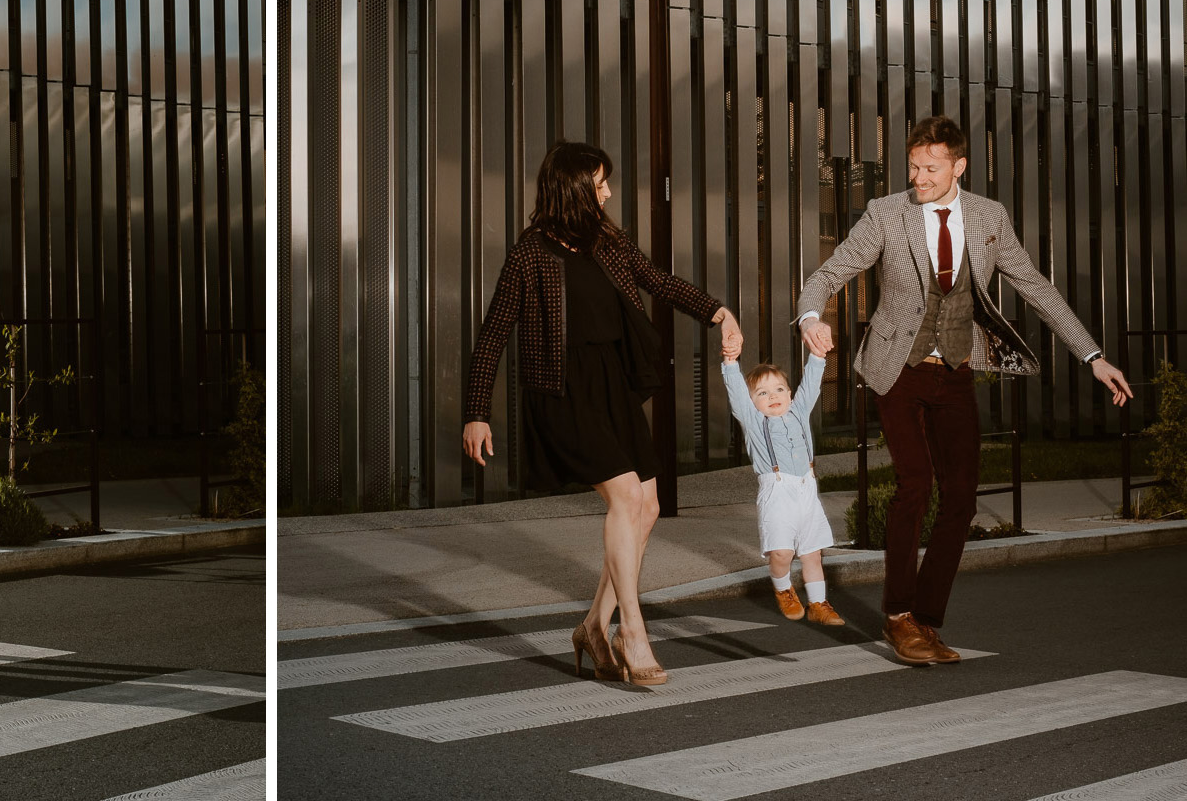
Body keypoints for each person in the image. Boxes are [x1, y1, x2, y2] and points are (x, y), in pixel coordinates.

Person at [796, 114, 1132, 665]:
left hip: (953, 368)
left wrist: (1091, 356)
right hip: (895, 366)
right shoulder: (886, 214)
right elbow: (831, 272)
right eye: (913, 166)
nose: (919, 177)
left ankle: (927, 620)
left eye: (931, 168)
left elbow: (1034, 287)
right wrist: (811, 315)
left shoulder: (988, 218)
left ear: (959, 166)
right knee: (915, 483)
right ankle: (898, 615)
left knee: (961, 499)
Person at [462, 141, 742, 686]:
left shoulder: (607, 241)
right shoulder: (530, 253)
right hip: (563, 390)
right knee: (626, 497)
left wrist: (718, 312)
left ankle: (593, 625)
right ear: (572, 188)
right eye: (599, 183)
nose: (608, 191)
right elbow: (493, 332)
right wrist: (477, 411)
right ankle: (632, 633)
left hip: (611, 386)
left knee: (650, 505)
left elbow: (657, 279)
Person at [720, 349, 843, 625]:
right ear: (752, 404)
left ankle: (819, 604)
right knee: (782, 552)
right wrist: (730, 364)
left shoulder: (798, 412)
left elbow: (810, 383)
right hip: (777, 493)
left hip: (807, 491)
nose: (773, 396)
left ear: (789, 394)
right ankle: (783, 589)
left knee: (813, 554)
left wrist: (818, 356)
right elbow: (738, 395)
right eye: (762, 393)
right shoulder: (754, 423)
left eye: (778, 389)